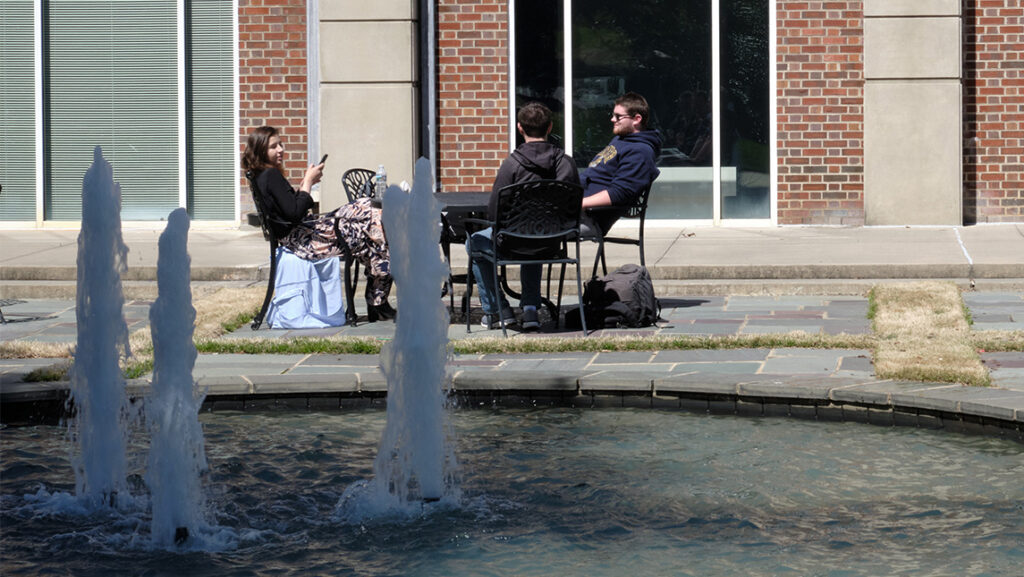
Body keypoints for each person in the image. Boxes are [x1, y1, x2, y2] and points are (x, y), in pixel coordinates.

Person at [242, 125, 396, 321]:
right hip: (303, 240)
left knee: (367, 207)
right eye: (274, 146)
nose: (281, 149)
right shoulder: (270, 175)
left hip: (303, 231)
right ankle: (378, 299)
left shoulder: (262, 175)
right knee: (377, 232)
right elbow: (295, 213)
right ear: (261, 150)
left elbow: (288, 209)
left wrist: (303, 188)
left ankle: (379, 295)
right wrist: (308, 182)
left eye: (280, 144)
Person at [467, 102, 579, 330]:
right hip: (551, 243)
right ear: (549, 127)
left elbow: (493, 212)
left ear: (520, 128)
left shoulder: (511, 165)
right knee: (534, 233)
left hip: (512, 244)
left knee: (474, 242)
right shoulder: (566, 163)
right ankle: (530, 310)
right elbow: (573, 206)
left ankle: (497, 309)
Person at [580, 92, 662, 236]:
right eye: (613, 115)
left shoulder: (641, 151)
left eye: (618, 116)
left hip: (588, 218)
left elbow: (621, 193)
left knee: (530, 225)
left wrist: (580, 203)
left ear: (637, 119)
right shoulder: (622, 140)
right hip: (572, 210)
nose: (613, 119)